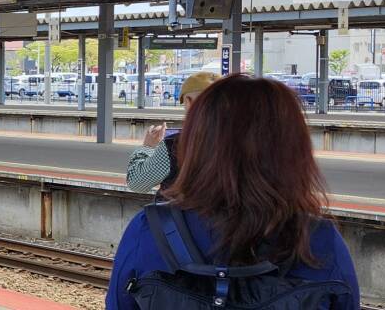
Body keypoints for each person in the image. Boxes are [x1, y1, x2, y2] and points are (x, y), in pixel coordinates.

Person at [107, 75, 359, 310]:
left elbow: (137, 181)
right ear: (293, 151)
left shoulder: (148, 231)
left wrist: (145, 149)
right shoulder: (321, 241)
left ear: (199, 139)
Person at [125, 71, 218, 195]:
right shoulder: (245, 140)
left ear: (188, 102)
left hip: (186, 212)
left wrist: (147, 147)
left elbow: (137, 183)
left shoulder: (176, 145)